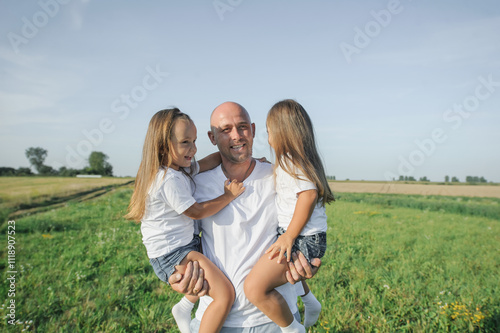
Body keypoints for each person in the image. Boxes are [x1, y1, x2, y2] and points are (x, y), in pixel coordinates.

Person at [168, 101, 322, 332]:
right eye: (225, 130)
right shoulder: (195, 184)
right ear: (212, 138)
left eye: (242, 127)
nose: (236, 136)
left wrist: (309, 265)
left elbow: (309, 221)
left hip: (274, 322)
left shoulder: (279, 176)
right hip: (216, 320)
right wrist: (175, 276)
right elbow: (178, 242)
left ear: (253, 129)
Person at [125, 108, 245, 333]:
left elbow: (211, 160)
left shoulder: (180, 169)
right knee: (224, 294)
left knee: (213, 267)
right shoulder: (168, 179)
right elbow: (197, 211)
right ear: (163, 146)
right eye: (185, 142)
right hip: (173, 253)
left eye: (195, 141)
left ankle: (185, 306)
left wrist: (246, 158)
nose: (194, 149)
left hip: (184, 245)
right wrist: (228, 196)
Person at [244, 99, 335, 331]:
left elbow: (308, 195)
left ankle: (292, 328)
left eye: (268, 131)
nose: (268, 137)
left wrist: (289, 236)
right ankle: (309, 300)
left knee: (254, 288)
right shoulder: (294, 162)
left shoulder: (289, 161)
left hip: (301, 238)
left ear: (281, 132)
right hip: (307, 237)